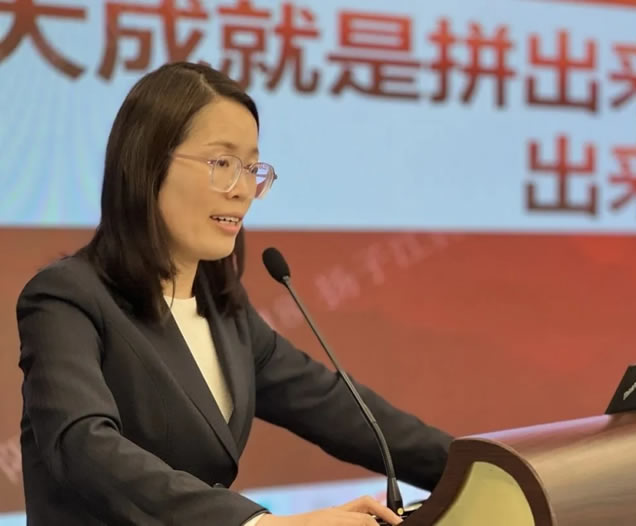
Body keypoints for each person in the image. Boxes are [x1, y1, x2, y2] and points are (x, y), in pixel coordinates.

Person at [16, 62, 453, 526]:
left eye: (251, 168)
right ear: (147, 164)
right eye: (222, 164)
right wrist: (261, 524)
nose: (243, 190)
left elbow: (339, 410)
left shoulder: (227, 315)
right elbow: (85, 446)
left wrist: (483, 468)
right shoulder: (66, 298)